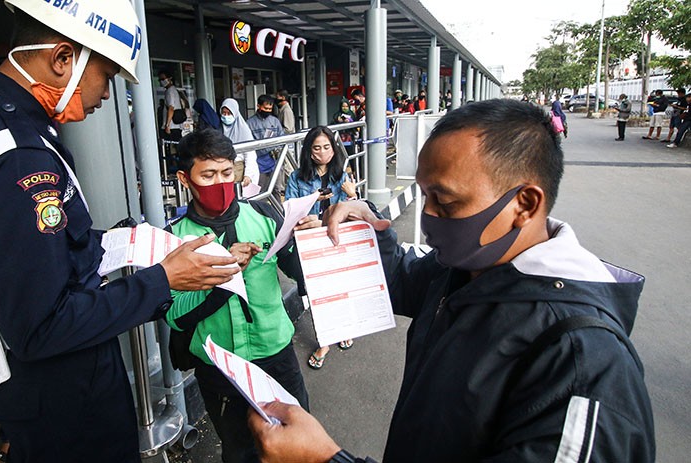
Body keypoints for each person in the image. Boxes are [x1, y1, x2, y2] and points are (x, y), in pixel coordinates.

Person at [248, 99, 655, 462]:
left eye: (445, 201)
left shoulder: (583, 365)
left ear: (525, 204)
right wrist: (356, 231)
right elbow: (399, 280)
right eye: (424, 197)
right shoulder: (466, 267)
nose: (427, 222)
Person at [0, 2, 240, 461]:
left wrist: (114, 242)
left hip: (31, 381)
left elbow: (31, 251)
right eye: (107, 75)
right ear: (63, 59)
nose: (108, 95)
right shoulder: (18, 155)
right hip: (67, 394)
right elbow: (43, 324)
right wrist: (163, 280)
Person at [166, 129, 309, 463]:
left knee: (297, 443)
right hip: (220, 369)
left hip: (276, 354)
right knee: (240, 450)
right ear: (185, 179)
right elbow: (174, 314)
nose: (221, 183)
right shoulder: (174, 240)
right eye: (209, 175)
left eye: (228, 173)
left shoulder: (264, 216)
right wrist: (223, 275)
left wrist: (310, 241)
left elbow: (299, 272)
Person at [285, 126, 357, 370]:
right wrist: (313, 204)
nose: (323, 152)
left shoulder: (341, 176)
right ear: (308, 150)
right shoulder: (297, 178)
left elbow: (350, 213)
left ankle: (344, 327)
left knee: (340, 288)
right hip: (310, 245)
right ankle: (325, 339)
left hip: (336, 240)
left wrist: (352, 194)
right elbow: (291, 212)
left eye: (327, 147)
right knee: (317, 293)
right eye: (317, 147)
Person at [247, 94, 285, 201]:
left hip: (274, 162)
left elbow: (282, 138)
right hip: (259, 164)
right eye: (265, 108)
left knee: (276, 189)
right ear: (258, 106)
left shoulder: (274, 121)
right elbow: (250, 145)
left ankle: (278, 214)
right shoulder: (250, 123)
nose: (268, 110)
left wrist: (275, 148)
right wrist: (268, 147)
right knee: (260, 191)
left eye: (270, 109)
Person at [220, 98, 258, 187]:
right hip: (223, 169)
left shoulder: (243, 130)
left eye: (229, 113)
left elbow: (250, 154)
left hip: (239, 169)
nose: (226, 116)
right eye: (223, 113)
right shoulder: (219, 129)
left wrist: (248, 175)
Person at [159, 68, 183, 171]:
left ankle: (173, 169)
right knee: (176, 149)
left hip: (172, 126)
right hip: (176, 126)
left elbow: (171, 108)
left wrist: (167, 125)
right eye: (160, 79)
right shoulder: (174, 91)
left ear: (170, 78)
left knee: (171, 150)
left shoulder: (170, 91)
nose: (162, 81)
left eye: (163, 78)